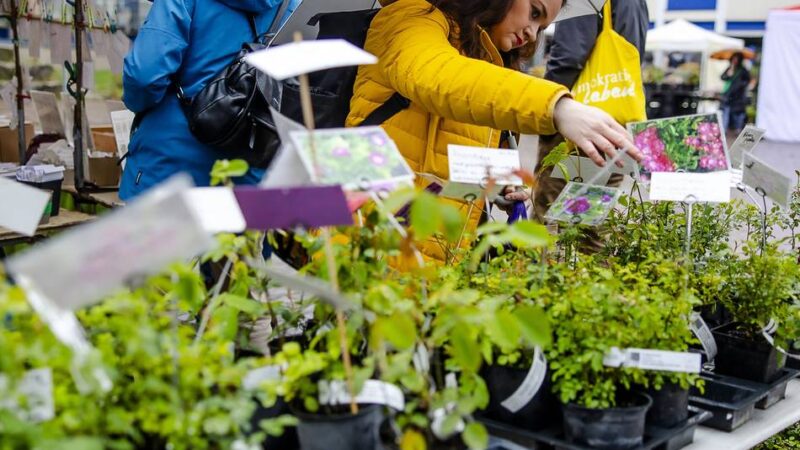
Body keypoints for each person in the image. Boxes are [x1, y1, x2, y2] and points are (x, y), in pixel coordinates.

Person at [347, 0, 641, 261]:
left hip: (431, 248)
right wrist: (558, 107)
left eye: (541, 26)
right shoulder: (408, 16)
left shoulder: (482, 57)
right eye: (534, 13)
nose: (532, 33)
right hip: (372, 237)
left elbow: (447, 144)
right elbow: (439, 78)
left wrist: (497, 182)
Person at [119, 0, 298, 201]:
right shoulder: (295, 5)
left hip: (168, 169)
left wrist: (138, 105)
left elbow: (144, 77)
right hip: (248, 173)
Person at [533, 0, 649, 229]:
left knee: (548, 213)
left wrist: (547, 106)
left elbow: (569, 56)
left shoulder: (586, 2)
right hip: (617, 120)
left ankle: (541, 264)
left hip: (578, 119)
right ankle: (587, 265)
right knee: (589, 221)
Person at [720, 52, 751, 135]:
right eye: (734, 59)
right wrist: (729, 73)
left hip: (738, 97)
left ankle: (738, 130)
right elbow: (723, 77)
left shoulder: (743, 70)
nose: (735, 61)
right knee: (725, 113)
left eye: (737, 59)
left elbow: (746, 81)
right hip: (727, 95)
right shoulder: (730, 68)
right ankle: (724, 130)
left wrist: (740, 85)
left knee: (737, 114)